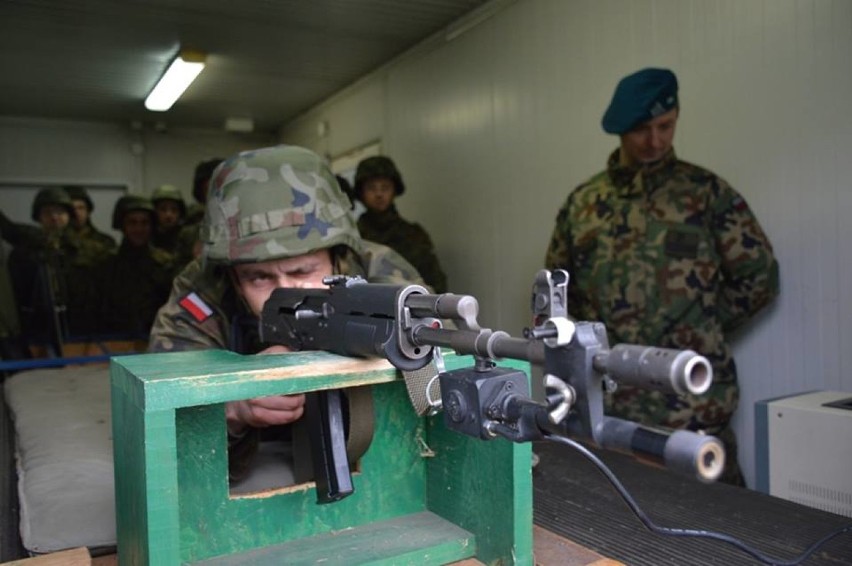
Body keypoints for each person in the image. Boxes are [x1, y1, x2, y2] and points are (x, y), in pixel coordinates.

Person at [543, 68, 779, 486]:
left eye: (665, 126)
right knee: (621, 532)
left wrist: (698, 327)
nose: (655, 141)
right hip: (613, 411)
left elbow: (758, 277)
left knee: (727, 530)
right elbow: (561, 296)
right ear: (619, 130)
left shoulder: (705, 194)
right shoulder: (584, 205)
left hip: (694, 407)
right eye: (641, 130)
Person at [148, 145, 425, 480]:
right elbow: (165, 432)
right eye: (259, 277)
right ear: (233, 276)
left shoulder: (382, 276)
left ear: (338, 257)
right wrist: (233, 406)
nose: (284, 292)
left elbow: (434, 388)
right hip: (258, 469)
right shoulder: (203, 293)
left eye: (302, 271)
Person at [353, 156, 448, 293]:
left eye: (385, 187)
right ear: (361, 193)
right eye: (371, 188)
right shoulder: (353, 236)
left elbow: (434, 282)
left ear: (394, 190)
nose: (379, 194)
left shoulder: (413, 235)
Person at [93, 195, 177, 338]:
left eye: (145, 223)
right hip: (113, 339)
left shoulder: (165, 263)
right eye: (132, 223)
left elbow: (181, 300)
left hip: (156, 337)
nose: (139, 229)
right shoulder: (105, 264)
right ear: (123, 226)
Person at [175, 158, 223, 267]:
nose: (215, 197)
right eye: (209, 191)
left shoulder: (245, 229)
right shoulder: (189, 235)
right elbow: (178, 277)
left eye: (219, 190)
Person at [63, 185, 117, 262]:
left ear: (88, 211)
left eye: (81, 208)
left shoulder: (105, 242)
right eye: (72, 208)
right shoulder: (57, 241)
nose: (76, 213)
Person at [150, 184, 186, 256]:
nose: (168, 215)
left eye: (174, 210)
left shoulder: (186, 239)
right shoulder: (147, 237)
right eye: (163, 209)